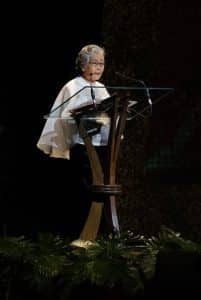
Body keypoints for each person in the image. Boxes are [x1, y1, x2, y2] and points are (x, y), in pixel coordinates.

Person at [37, 44, 111, 238]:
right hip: (80, 146)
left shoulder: (102, 88)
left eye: (102, 63)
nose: (99, 67)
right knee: (83, 193)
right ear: (84, 65)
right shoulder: (73, 86)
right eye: (95, 63)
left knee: (100, 191)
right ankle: (78, 235)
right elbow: (64, 117)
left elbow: (108, 116)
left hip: (100, 147)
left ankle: (97, 236)